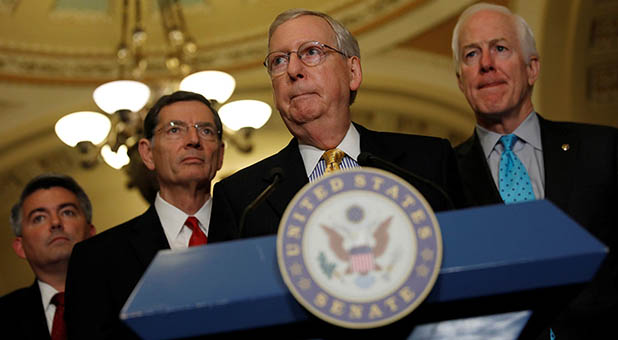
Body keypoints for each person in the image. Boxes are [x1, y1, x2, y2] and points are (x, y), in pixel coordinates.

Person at [209, 9, 466, 242]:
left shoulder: (429, 164)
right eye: (279, 60)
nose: (293, 70)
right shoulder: (242, 200)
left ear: (353, 72)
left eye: (311, 52)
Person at [452, 3, 617, 339]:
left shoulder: (603, 150)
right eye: (471, 54)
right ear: (460, 80)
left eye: (500, 48)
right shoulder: (443, 175)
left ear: (532, 68)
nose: (486, 64)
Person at [65, 91, 225, 339]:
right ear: (147, 153)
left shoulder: (254, 231)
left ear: (221, 154)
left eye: (205, 131)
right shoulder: (96, 258)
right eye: (175, 130)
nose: (193, 139)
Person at [0, 174, 96, 340]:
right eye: (39, 218)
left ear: (91, 233)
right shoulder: (3, 317)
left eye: (67, 212)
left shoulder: (128, 294)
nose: (55, 223)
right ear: (20, 247)